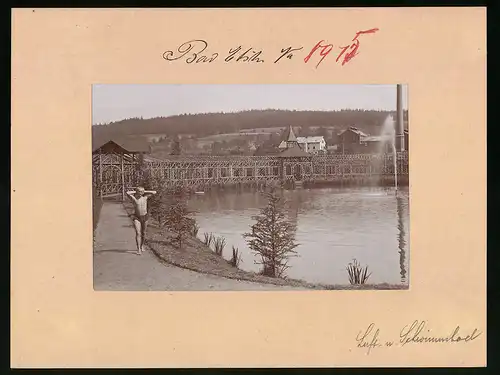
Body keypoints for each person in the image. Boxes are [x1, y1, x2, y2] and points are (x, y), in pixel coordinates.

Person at [126, 186, 157, 254]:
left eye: (142, 192)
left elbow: (154, 192)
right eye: (139, 191)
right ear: (137, 192)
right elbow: (128, 193)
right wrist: (136, 191)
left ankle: (142, 245)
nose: (141, 193)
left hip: (145, 217)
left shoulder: (145, 198)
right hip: (137, 217)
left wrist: (144, 191)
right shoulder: (134, 199)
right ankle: (138, 249)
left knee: (143, 233)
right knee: (138, 233)